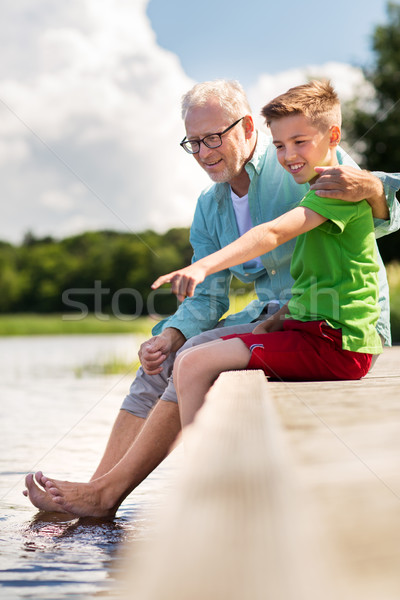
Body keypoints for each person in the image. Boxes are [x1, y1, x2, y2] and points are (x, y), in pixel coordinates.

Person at [24, 79, 400, 518]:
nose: (203, 153)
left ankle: (119, 493)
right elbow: (209, 297)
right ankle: (97, 490)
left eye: (213, 139)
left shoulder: (297, 159)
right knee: (163, 359)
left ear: (244, 128)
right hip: (275, 318)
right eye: (194, 143)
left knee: (199, 353)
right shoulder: (210, 205)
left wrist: (374, 190)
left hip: (331, 324)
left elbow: (369, 194)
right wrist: (172, 333)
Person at [152, 80, 382, 427]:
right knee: (191, 358)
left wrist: (202, 267)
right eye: (279, 145)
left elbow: (271, 233)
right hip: (309, 330)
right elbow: (318, 279)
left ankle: (202, 472)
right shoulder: (309, 195)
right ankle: (205, 465)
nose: (289, 155)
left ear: (333, 137)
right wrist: (276, 320)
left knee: (193, 362)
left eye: (299, 142)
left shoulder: (336, 190)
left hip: (338, 346)